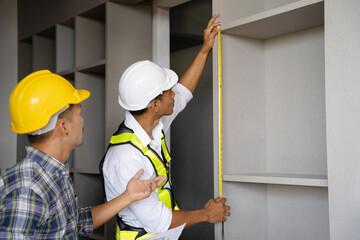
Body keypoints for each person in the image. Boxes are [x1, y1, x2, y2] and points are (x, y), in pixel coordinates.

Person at [100, 13, 230, 239]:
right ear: (154, 104)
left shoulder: (153, 122)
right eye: (168, 91)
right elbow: (159, 221)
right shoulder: (126, 158)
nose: (174, 93)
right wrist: (207, 214)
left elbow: (183, 92)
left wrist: (204, 49)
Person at [0, 70, 166, 239]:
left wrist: (128, 196)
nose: (83, 120)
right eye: (79, 114)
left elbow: (74, 223)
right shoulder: (28, 189)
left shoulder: (53, 173)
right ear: (64, 126)